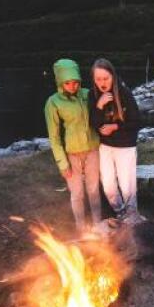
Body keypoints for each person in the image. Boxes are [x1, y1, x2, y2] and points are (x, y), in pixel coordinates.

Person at [44, 58, 101, 234]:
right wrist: (62, 163)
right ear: (60, 82)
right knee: (77, 193)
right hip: (72, 154)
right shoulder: (53, 103)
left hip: (92, 150)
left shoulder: (88, 94)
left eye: (76, 82)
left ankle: (98, 224)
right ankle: (81, 228)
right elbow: (54, 137)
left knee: (93, 190)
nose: (73, 86)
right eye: (68, 83)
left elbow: (101, 114)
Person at [89, 58, 141, 220]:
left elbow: (137, 121)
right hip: (105, 146)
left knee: (127, 187)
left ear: (113, 76)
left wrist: (115, 127)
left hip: (125, 146)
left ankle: (132, 218)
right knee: (109, 186)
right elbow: (94, 123)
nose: (102, 83)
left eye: (106, 78)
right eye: (98, 79)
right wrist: (99, 106)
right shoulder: (93, 95)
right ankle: (121, 214)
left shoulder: (124, 93)